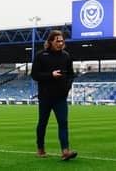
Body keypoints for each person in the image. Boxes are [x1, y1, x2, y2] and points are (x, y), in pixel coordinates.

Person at [31, 30, 77, 161]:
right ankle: (40, 149)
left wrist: (67, 87)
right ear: (50, 41)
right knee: (42, 123)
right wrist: (51, 75)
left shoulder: (66, 56)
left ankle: (65, 151)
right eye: (58, 41)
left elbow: (71, 75)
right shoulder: (41, 55)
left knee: (63, 123)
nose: (60, 43)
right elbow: (35, 75)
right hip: (45, 96)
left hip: (60, 97)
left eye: (62, 41)